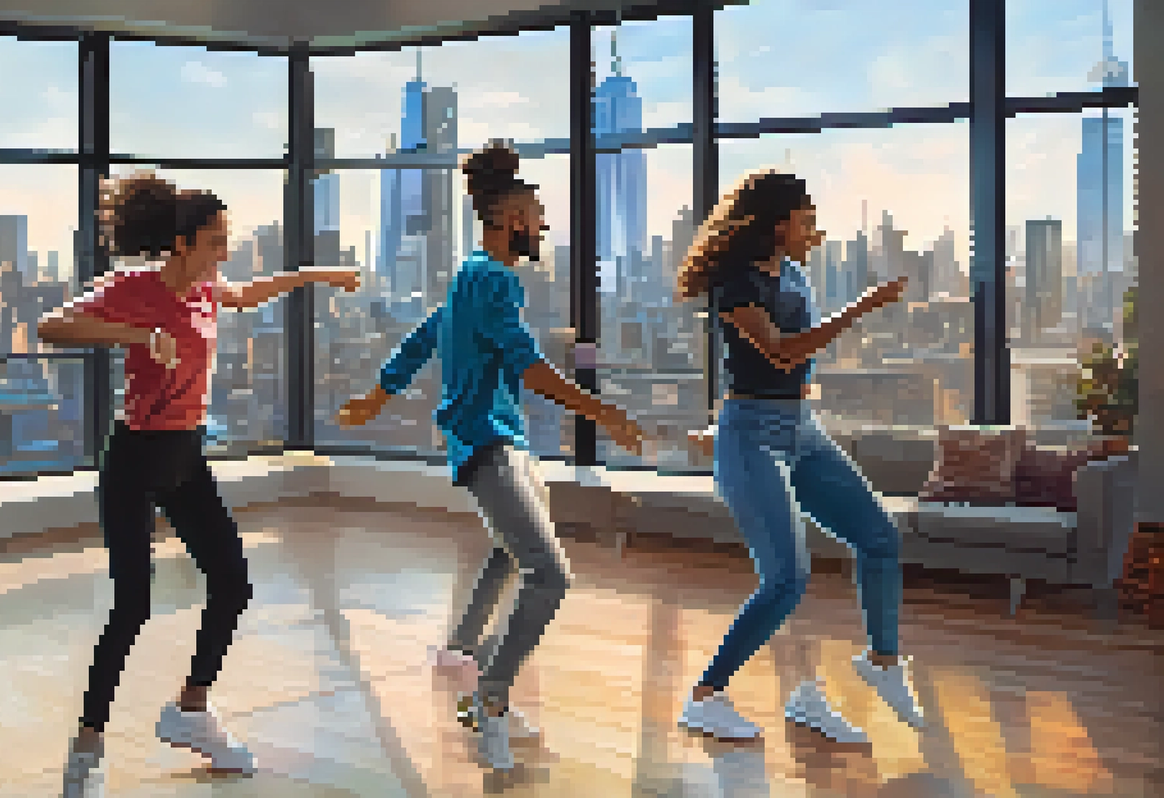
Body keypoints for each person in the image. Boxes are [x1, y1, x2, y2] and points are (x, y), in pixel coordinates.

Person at [39, 173, 360, 794]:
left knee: (233, 583)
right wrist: (137, 335)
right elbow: (54, 326)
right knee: (133, 604)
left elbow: (250, 292)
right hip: (135, 459)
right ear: (182, 243)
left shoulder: (208, 291)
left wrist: (319, 275)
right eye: (216, 242)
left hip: (185, 456)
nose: (224, 253)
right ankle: (87, 746)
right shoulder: (135, 287)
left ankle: (189, 710)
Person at [339, 141, 648, 771]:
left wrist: (378, 394)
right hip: (487, 442)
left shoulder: (469, 275)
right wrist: (606, 413)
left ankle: (460, 648)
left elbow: (425, 335)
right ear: (511, 219)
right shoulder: (494, 279)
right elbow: (531, 368)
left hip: (502, 440)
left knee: (511, 552)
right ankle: (488, 699)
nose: (543, 224)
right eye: (536, 214)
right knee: (551, 573)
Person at [673, 169, 924, 744]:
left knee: (880, 538)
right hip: (752, 433)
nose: (815, 231)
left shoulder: (791, 272)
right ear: (777, 224)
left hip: (801, 430)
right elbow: (782, 354)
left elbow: (796, 367)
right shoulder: (736, 282)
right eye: (806, 221)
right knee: (786, 579)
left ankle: (883, 662)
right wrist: (864, 306)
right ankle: (706, 696)